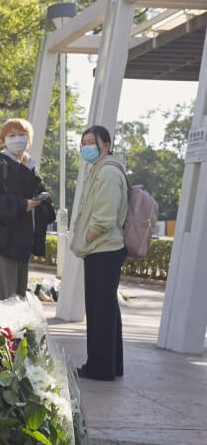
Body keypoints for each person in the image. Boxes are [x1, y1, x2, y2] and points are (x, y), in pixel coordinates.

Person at [70, 125, 128, 381]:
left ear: (106, 145)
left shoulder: (107, 172)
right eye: (83, 143)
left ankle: (100, 367)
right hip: (102, 249)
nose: (86, 147)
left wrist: (88, 237)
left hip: (103, 248)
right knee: (106, 308)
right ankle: (111, 364)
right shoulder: (100, 169)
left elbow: (104, 216)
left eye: (91, 142)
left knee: (100, 310)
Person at [0, 117, 55, 299]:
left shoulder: (30, 168)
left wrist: (41, 204)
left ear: (29, 140)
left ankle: (16, 328)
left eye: (22, 135)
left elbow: (46, 206)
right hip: (1, 243)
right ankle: (4, 328)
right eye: (12, 135)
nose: (17, 139)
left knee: (18, 299)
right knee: (7, 299)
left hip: (22, 244)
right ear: (3, 140)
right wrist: (23, 205)